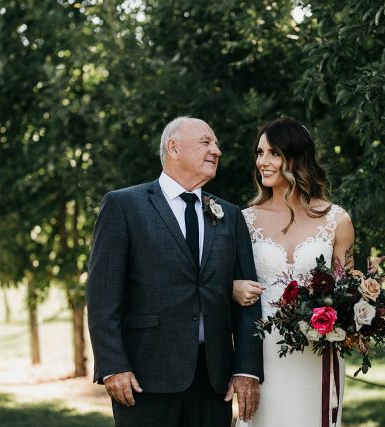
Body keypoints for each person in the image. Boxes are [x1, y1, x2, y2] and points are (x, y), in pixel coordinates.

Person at [86, 116, 264, 427]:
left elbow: (248, 296)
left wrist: (246, 368)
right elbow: (102, 296)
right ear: (174, 147)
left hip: (213, 381)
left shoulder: (230, 215)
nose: (217, 151)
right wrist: (113, 366)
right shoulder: (123, 206)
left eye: (216, 144)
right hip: (144, 377)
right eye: (206, 142)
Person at [232, 117, 355, 427]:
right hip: (263, 350)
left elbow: (348, 290)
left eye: (273, 153)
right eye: (260, 153)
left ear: (296, 157)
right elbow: (224, 281)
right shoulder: (243, 221)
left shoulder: (336, 219)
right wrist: (231, 286)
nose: (263, 162)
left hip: (317, 350)